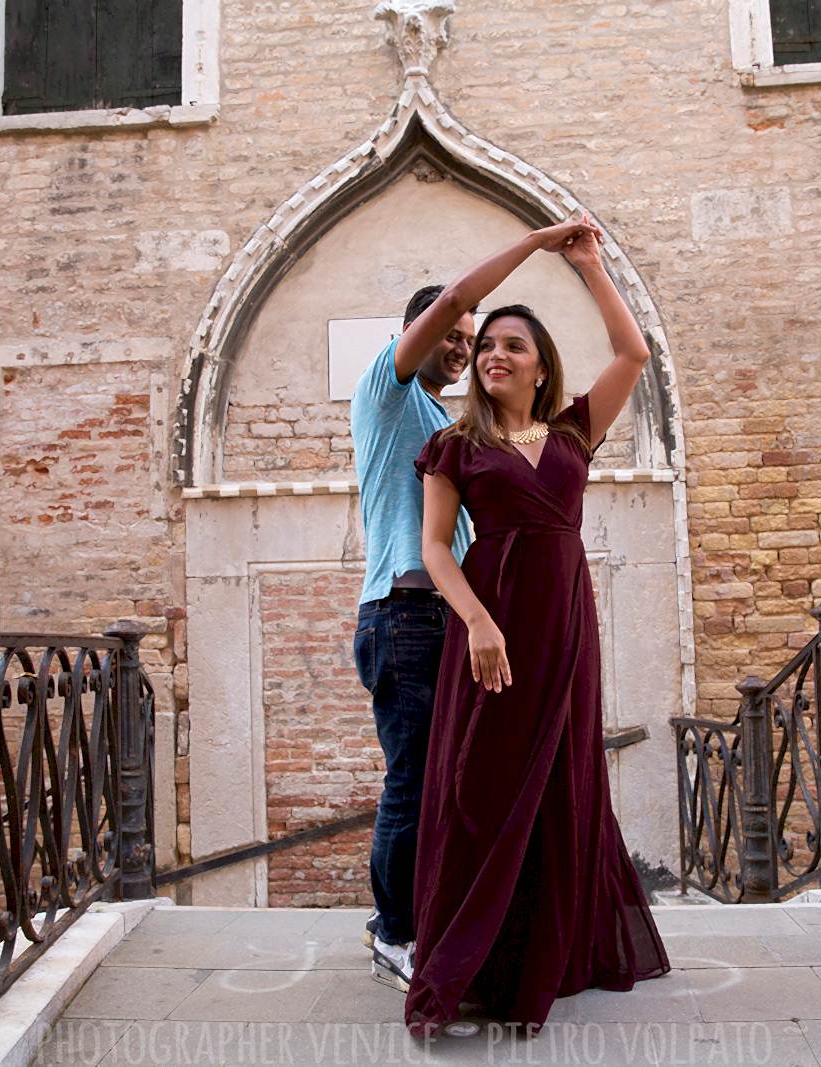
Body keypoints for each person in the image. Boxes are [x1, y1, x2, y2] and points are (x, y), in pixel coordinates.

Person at [401, 215, 671, 1035]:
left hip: (562, 625)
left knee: (561, 781)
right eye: (487, 346)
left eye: (512, 345)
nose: (493, 355)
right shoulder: (454, 444)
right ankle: (458, 968)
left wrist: (589, 266)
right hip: (492, 628)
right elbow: (435, 550)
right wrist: (478, 622)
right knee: (476, 789)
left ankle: (545, 959)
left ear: (540, 363)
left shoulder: (572, 432)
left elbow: (633, 355)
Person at [349, 281, 481, 991]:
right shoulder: (388, 390)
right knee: (413, 778)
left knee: (440, 779)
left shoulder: (444, 419)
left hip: (441, 620)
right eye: (450, 333)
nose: (460, 347)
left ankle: (415, 921)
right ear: (416, 331)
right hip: (403, 616)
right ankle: (394, 933)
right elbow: (455, 296)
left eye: (470, 337)